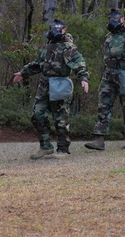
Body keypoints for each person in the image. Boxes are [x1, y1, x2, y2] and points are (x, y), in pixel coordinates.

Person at [11, 19, 90, 160]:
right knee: (37, 115)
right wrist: (23, 73)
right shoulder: (48, 47)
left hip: (60, 85)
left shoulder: (68, 48)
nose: (55, 30)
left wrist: (84, 78)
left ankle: (63, 149)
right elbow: (37, 64)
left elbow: (80, 64)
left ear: (64, 30)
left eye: (58, 27)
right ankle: (45, 146)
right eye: (53, 27)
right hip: (44, 85)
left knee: (60, 119)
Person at [85, 8, 125, 151]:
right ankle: (99, 139)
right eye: (110, 18)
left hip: (124, 75)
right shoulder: (109, 37)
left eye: (115, 18)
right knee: (103, 106)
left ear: (122, 19)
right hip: (108, 75)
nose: (112, 21)